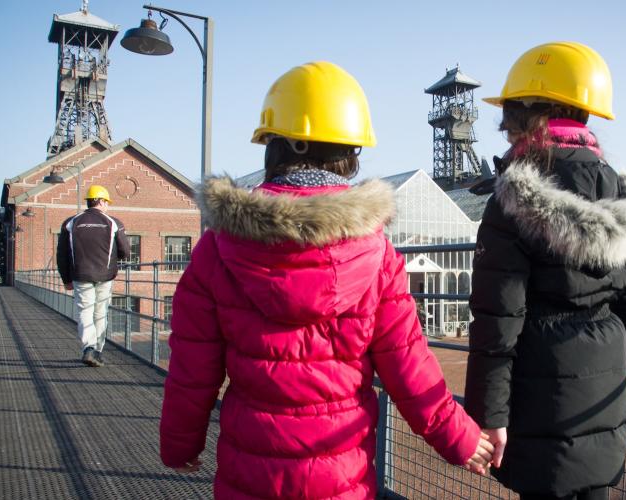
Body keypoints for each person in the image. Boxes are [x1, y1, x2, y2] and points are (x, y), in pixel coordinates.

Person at [159, 61, 493, 498]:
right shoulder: (377, 255)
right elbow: (409, 369)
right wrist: (460, 438)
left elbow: (192, 369)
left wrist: (179, 445)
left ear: (276, 147)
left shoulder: (218, 248)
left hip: (252, 473)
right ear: (349, 154)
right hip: (341, 474)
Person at [464, 41, 626, 499]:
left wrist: (489, 416)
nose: (506, 128)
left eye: (511, 116)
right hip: (604, 368)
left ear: (531, 114)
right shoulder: (615, 187)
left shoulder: (512, 199)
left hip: (540, 381)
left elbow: (497, 320)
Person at [56, 185, 129, 367]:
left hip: (80, 275)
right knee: (100, 313)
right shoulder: (114, 223)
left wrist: (66, 279)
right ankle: (97, 351)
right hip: (106, 275)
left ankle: (88, 348)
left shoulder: (70, 223)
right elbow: (125, 251)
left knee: (85, 311)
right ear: (101, 201)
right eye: (107, 203)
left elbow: (62, 255)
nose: (108, 207)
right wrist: (112, 259)